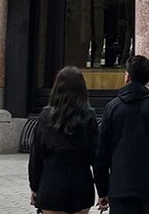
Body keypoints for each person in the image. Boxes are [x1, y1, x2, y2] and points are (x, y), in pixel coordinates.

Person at [96, 55, 149, 214]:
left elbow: (102, 152)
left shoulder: (112, 108)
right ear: (147, 79)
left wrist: (102, 190)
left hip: (119, 188)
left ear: (127, 76)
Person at [29, 66, 98, 214]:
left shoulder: (45, 116)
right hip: (81, 186)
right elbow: (96, 157)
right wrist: (103, 190)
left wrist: (34, 187)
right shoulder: (89, 116)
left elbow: (36, 157)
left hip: (51, 185)